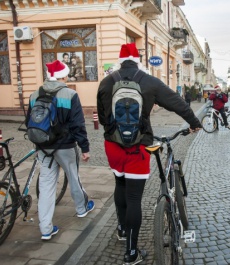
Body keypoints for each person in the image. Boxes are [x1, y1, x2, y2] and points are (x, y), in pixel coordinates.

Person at [97, 43, 202, 265]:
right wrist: (194, 122)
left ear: (120, 59)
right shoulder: (149, 81)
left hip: (113, 145)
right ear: (138, 59)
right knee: (134, 197)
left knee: (120, 186)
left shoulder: (106, 82)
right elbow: (176, 102)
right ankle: (131, 253)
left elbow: (102, 115)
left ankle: (122, 230)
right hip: (138, 145)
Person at [26, 60, 94, 241]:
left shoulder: (34, 94)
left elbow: (29, 123)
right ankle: (81, 209)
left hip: (43, 147)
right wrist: (85, 147)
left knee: (46, 186)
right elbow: (77, 124)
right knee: (73, 177)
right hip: (65, 146)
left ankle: (45, 229)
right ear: (64, 75)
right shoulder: (70, 94)